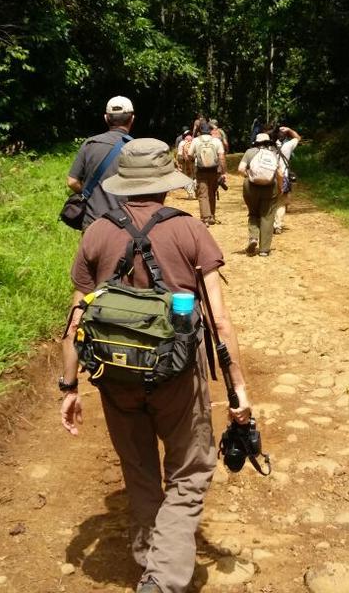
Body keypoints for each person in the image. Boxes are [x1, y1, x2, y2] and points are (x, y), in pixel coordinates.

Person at [60, 138, 253, 593]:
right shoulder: (190, 231)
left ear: (123, 185)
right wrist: (239, 390)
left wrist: (68, 387)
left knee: (140, 471)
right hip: (177, 377)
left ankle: (151, 561)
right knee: (189, 472)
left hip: (115, 378)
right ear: (168, 183)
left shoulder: (97, 233)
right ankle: (163, 580)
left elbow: (75, 320)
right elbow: (219, 321)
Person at [66, 96, 135, 231]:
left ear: (106, 118)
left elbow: (72, 181)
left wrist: (87, 192)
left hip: (92, 223)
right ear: (132, 118)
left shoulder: (90, 144)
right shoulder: (136, 148)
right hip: (125, 224)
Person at [238, 132, 283, 257]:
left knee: (253, 213)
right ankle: (264, 249)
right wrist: (280, 187)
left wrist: (249, 176)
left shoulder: (249, 152)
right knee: (267, 216)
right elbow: (280, 174)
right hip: (270, 188)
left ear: (256, 142)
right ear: (268, 142)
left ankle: (253, 237)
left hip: (251, 187)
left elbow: (240, 169)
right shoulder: (273, 154)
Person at [186, 121, 226, 225]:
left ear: (200, 131)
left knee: (203, 194)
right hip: (214, 171)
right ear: (210, 131)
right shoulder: (216, 141)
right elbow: (221, 157)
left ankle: (205, 218)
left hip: (201, 171)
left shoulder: (195, 141)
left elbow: (190, 155)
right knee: (212, 193)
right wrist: (223, 172)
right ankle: (212, 216)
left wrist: (192, 160)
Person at [272, 125, 301, 234]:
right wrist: (289, 129)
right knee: (281, 202)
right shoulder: (288, 145)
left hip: (270, 177)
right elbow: (298, 138)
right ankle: (277, 225)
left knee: (270, 202)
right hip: (283, 176)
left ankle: (269, 223)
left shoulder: (269, 146)